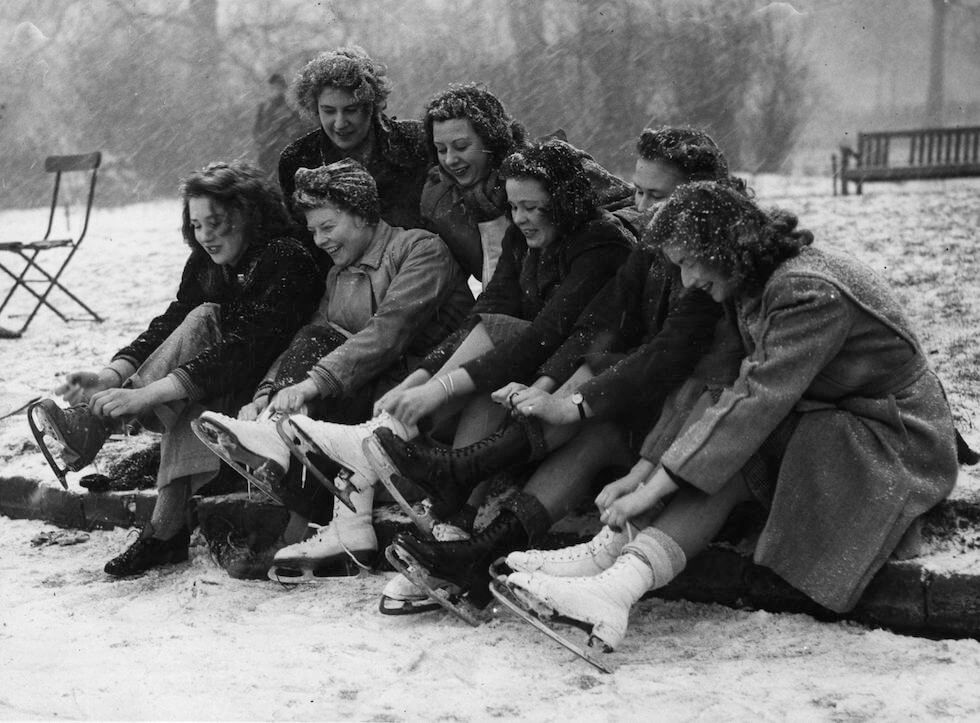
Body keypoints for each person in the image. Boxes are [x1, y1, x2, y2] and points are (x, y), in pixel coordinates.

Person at [502, 180, 960, 651]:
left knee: (742, 450)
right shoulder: (752, 284)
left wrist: (655, 488)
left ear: (721, 245)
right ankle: (609, 561)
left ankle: (617, 588)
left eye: (687, 262)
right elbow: (717, 387)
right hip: (834, 417)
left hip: (896, 437)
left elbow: (754, 404)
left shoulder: (804, 292)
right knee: (729, 441)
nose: (686, 281)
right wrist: (645, 472)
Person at [219, 139, 635, 581]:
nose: (520, 218)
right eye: (513, 207)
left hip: (563, 382)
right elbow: (486, 312)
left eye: (532, 207)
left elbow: (548, 333)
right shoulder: (521, 238)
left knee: (492, 356)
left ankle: (426, 506)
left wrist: (436, 386)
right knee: (467, 364)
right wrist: (421, 381)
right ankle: (431, 524)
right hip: (501, 374)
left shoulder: (599, 245)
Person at [380, 128, 745, 610]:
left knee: (591, 413)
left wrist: (571, 402)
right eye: (637, 191)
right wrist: (554, 389)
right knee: (584, 412)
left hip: (699, 414)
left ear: (699, 196)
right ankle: (474, 541)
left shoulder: (708, 262)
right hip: (651, 401)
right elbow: (603, 321)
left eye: (657, 195)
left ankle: (463, 493)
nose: (641, 205)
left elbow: (667, 355)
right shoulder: (655, 244)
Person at [29, 162, 325, 577]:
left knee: (203, 325)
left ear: (247, 213)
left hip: (270, 392)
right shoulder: (207, 260)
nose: (206, 236)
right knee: (194, 343)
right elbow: (172, 323)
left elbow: (246, 350)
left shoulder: (286, 258)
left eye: (216, 223)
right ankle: (163, 529)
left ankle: (104, 437)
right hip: (213, 383)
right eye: (197, 225)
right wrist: (113, 375)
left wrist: (145, 395)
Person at [192, 158, 473, 578]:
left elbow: (387, 333)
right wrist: (269, 391)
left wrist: (310, 385)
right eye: (312, 231)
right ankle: (283, 449)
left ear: (362, 215)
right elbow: (313, 332)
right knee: (314, 346)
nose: (319, 240)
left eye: (328, 227)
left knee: (319, 363)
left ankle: (284, 483)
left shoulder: (420, 249)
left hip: (424, 399)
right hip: (371, 392)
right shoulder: (341, 274)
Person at [278, 47, 429, 238]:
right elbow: (304, 239)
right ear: (314, 108)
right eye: (329, 111)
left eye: (351, 110)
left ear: (372, 106)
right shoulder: (297, 159)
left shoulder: (415, 141)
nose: (340, 123)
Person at [419, 83, 527, 286]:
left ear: (491, 141)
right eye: (441, 150)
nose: (450, 160)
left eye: (461, 146)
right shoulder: (439, 202)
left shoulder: (535, 175)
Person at [253, 73, 309, 180]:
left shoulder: (292, 107)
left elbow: (301, 131)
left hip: (289, 154)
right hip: (269, 155)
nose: (276, 90)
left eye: (279, 86)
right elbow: (257, 133)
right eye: (274, 87)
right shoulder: (263, 109)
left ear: (284, 87)